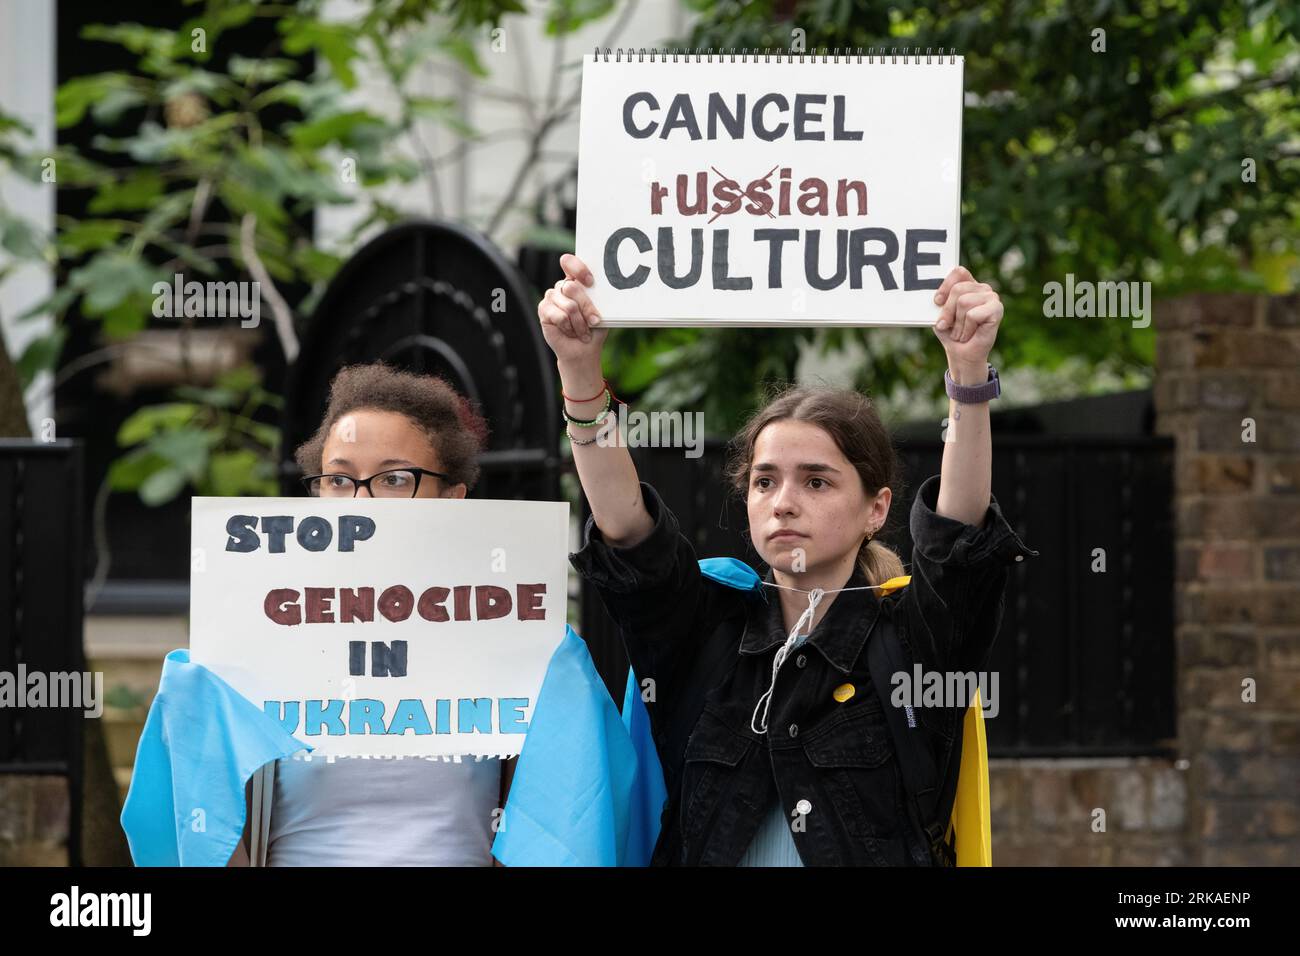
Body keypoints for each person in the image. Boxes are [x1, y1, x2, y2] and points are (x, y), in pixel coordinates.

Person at [537, 254, 1036, 865]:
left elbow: (956, 539)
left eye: (817, 481)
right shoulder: (704, 631)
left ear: (876, 508)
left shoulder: (912, 644)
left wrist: (968, 372)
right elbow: (629, 535)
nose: (784, 503)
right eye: (765, 481)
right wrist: (579, 370)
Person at [226, 362, 513, 866]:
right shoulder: (255, 641)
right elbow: (214, 834)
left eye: (395, 478)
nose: (361, 501)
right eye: (339, 479)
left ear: (452, 499)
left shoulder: (511, 643)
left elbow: (547, 829)